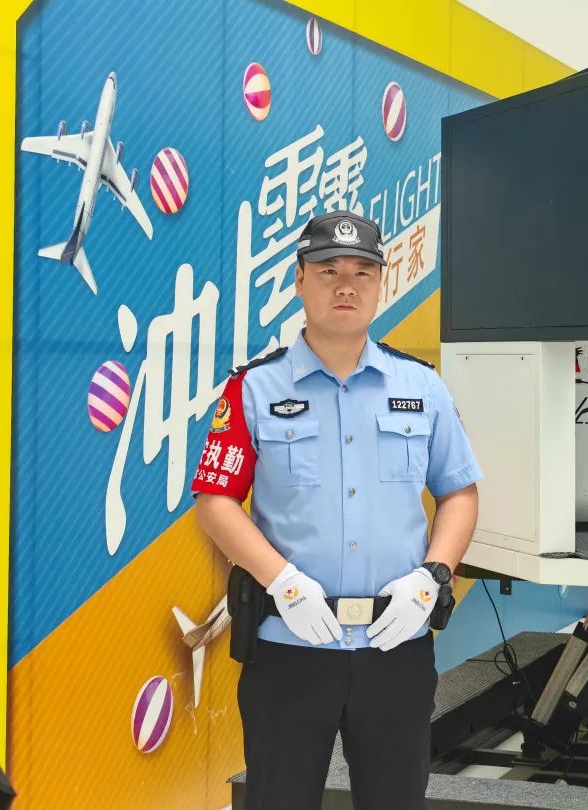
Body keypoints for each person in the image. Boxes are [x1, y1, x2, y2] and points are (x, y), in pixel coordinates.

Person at [191, 211, 482, 810]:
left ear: (380, 283)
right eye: (328, 270)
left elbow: (459, 492)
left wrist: (432, 578)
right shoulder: (253, 390)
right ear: (300, 280)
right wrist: (284, 583)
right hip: (289, 645)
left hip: (396, 644)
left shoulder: (422, 386)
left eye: (362, 272)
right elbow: (216, 502)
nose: (346, 285)